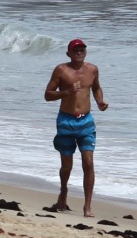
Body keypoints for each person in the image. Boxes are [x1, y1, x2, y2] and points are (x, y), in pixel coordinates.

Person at [44, 38, 107, 216]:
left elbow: (96, 88)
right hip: (66, 121)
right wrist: (67, 92)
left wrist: (100, 101)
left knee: (88, 163)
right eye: (75, 50)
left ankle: (87, 206)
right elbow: (48, 95)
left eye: (82, 49)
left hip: (86, 121)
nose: (79, 52)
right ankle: (63, 191)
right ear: (69, 53)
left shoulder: (92, 69)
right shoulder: (61, 70)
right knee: (67, 166)